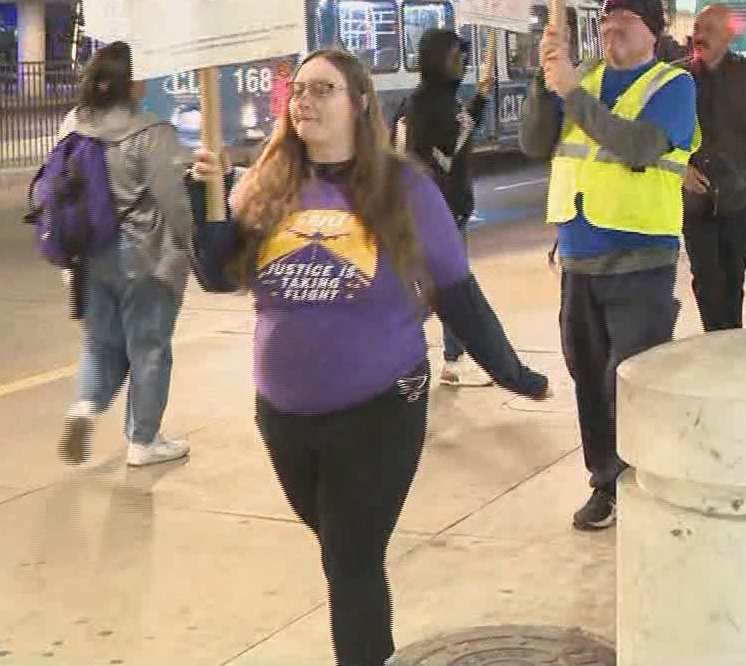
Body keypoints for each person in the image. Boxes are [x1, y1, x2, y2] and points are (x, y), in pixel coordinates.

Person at [190, 49, 547, 666]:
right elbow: (219, 278)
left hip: (380, 406)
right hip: (283, 411)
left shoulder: (405, 187)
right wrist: (206, 203)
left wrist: (511, 372)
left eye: (322, 89)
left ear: (359, 102)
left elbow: (458, 291)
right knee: (337, 542)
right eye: (298, 89)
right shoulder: (267, 181)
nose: (305, 100)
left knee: (350, 560)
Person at [519, 0, 699, 532]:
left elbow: (638, 146)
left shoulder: (674, 84)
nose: (611, 26)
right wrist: (543, 78)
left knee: (634, 379)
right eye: (606, 18)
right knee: (588, 376)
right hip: (578, 258)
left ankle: (647, 477)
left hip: (639, 257)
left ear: (653, 30)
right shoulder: (586, 79)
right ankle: (605, 481)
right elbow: (533, 143)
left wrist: (572, 92)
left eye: (625, 18)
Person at [56, 41, 196, 469]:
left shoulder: (72, 126)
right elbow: (173, 201)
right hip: (144, 257)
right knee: (148, 346)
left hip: (89, 256)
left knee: (100, 344)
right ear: (132, 81)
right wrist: (193, 246)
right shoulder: (151, 132)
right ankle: (144, 440)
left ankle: (85, 406)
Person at [396, 29, 541, 392]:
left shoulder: (425, 100)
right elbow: (448, 150)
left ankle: (438, 359)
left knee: (435, 286)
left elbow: (459, 133)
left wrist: (477, 99)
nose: (462, 63)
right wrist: (473, 107)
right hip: (441, 211)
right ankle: (454, 360)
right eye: (457, 57)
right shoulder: (433, 104)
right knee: (450, 287)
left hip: (435, 210)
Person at [681, 4, 746, 332]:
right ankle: (719, 342)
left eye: (709, 29)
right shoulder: (675, 79)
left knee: (732, 279)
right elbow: (656, 138)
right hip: (694, 201)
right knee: (706, 279)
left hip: (738, 197)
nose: (700, 35)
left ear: (729, 34)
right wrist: (678, 169)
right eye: (697, 28)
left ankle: (731, 341)